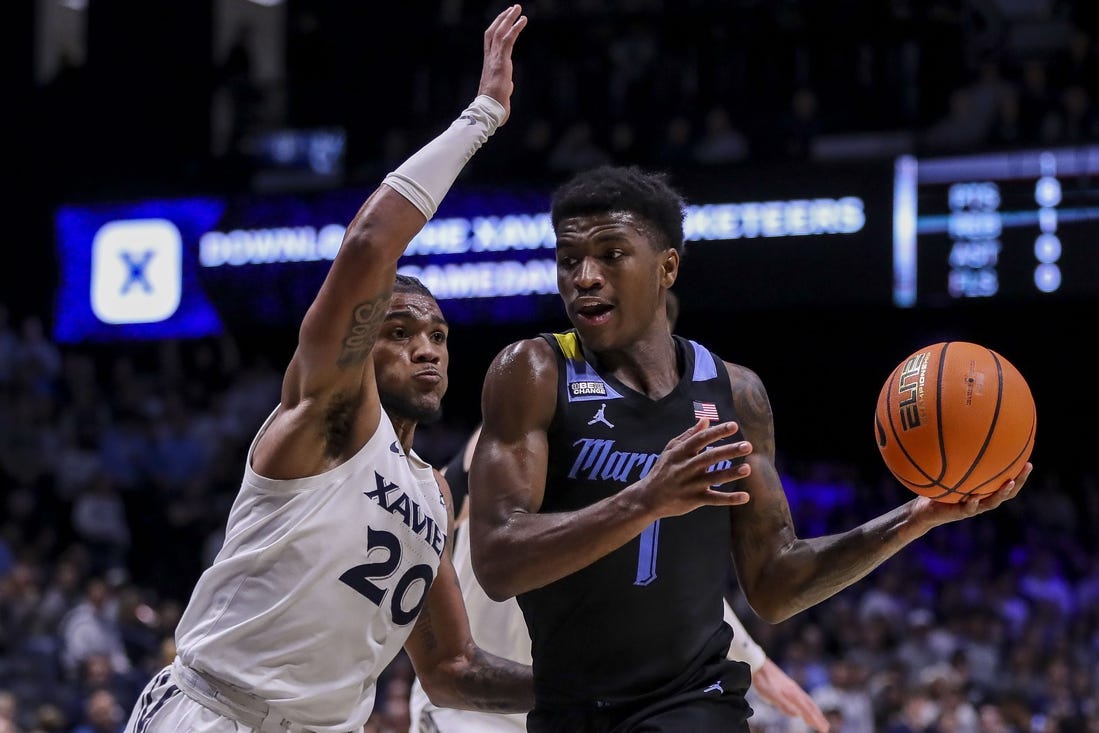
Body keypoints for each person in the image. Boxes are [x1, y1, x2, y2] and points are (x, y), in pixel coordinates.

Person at [467, 164, 1033, 733]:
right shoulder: (533, 372)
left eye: (611, 255)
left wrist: (915, 517)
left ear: (667, 268)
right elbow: (497, 561)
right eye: (569, 260)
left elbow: (775, 584)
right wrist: (646, 500)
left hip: (695, 700)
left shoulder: (735, 393)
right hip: (569, 709)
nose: (584, 277)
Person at [123, 7, 533, 732]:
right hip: (219, 713)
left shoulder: (435, 494)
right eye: (400, 331)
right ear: (359, 346)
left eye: (437, 334)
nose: (427, 347)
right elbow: (370, 243)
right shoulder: (333, 418)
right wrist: (481, 116)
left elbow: (453, 670)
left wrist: (593, 684)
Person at [408, 294, 830, 733]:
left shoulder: (668, 460)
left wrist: (754, 658)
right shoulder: (535, 416)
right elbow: (439, 516)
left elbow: (668, 578)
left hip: (582, 703)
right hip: (474, 709)